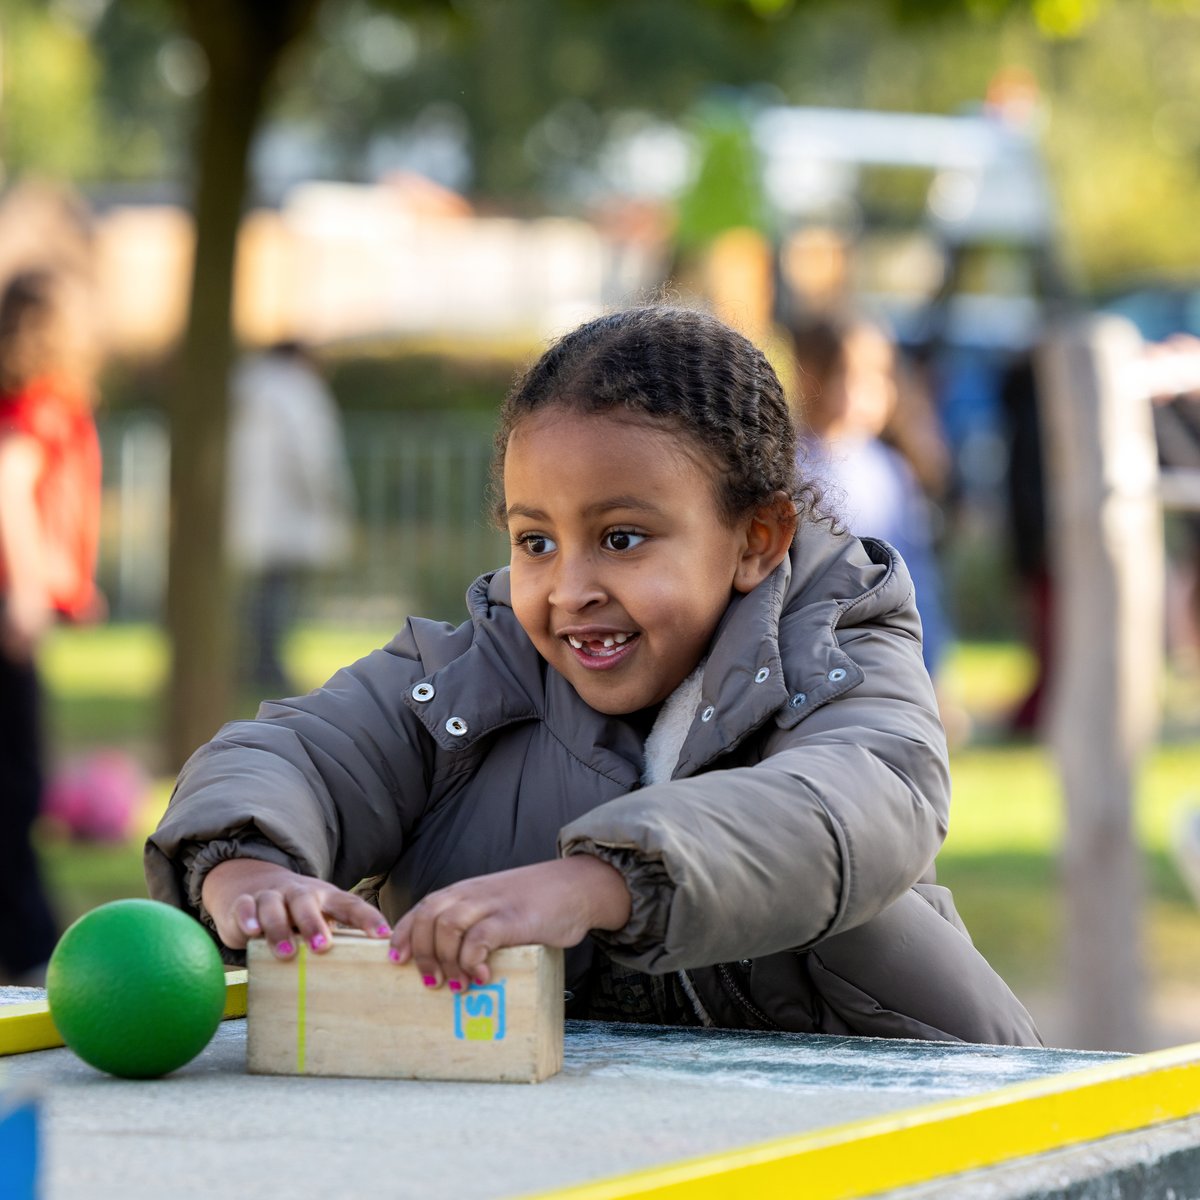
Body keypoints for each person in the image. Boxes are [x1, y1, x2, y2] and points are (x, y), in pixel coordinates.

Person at [146, 306, 1039, 1045]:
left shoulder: (839, 649)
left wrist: (596, 883)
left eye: (621, 538)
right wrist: (249, 872)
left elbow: (853, 804)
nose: (571, 589)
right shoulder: (465, 680)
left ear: (755, 539)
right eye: (535, 541)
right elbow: (296, 753)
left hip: (920, 1133)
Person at [0, 268, 103, 986]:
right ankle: (30, 941)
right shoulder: (36, 403)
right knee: (17, 779)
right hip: (10, 599)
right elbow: (10, 485)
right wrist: (28, 588)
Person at [790, 312, 963, 740]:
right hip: (817, 654)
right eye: (851, 376)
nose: (869, 393)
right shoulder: (791, 468)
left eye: (880, 377)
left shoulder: (891, 470)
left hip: (885, 649)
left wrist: (933, 672)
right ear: (811, 374)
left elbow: (916, 576)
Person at [226, 340, 354, 692]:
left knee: (253, 597)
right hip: (288, 512)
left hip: (247, 511)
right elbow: (312, 456)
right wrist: (330, 502)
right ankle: (268, 667)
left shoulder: (243, 387)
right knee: (277, 595)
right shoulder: (297, 391)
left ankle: (250, 664)